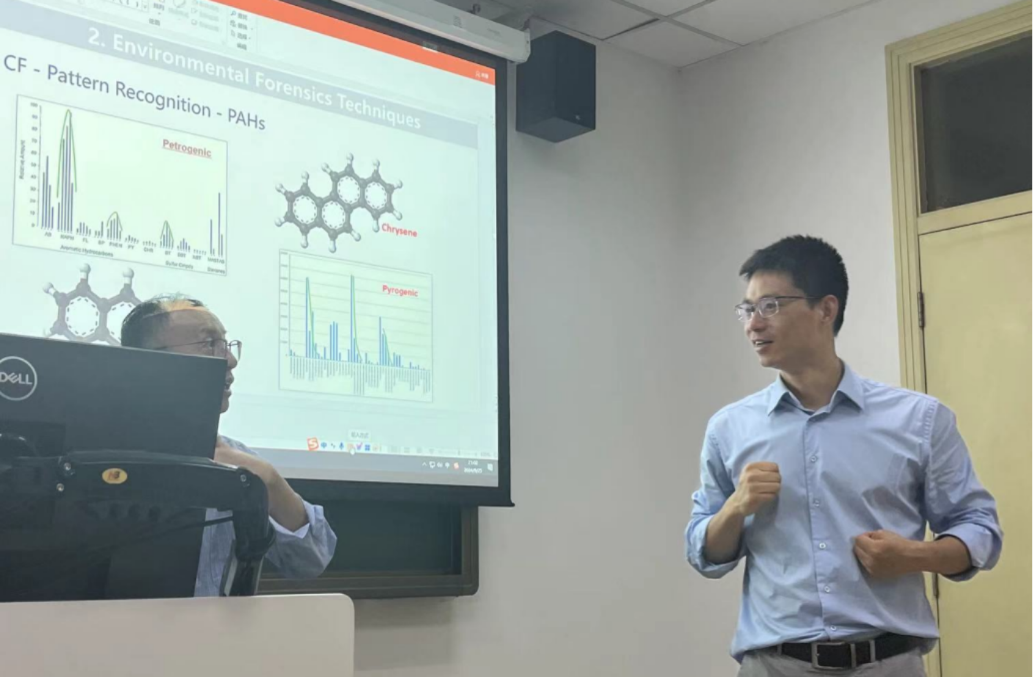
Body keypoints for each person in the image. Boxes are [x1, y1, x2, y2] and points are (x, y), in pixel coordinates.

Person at [685, 236, 1002, 676]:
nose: (753, 324)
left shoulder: (919, 420)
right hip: (774, 666)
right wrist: (736, 507)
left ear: (826, 309)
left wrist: (914, 556)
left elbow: (980, 529)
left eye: (770, 306)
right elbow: (704, 553)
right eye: (747, 309)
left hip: (888, 663)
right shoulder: (729, 428)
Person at [120, 295, 337, 596]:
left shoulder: (242, 461)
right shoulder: (99, 458)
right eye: (209, 343)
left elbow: (311, 561)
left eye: (226, 344)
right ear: (152, 361)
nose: (230, 360)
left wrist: (269, 481)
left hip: (223, 627)